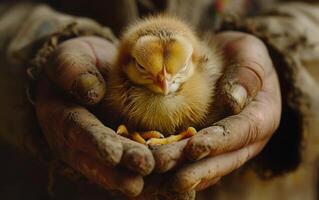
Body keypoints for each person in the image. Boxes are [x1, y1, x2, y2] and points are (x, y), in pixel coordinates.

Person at [0, 1, 318, 199]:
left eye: (174, 74)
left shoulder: (201, 75)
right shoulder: (114, 83)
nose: (164, 83)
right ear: (125, 65)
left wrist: (281, 61)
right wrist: (37, 53)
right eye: (144, 70)